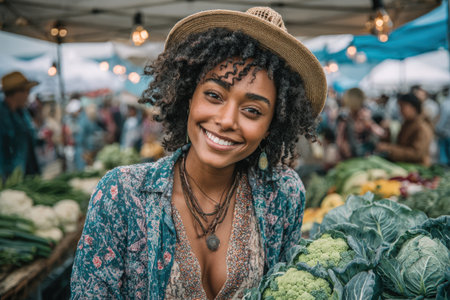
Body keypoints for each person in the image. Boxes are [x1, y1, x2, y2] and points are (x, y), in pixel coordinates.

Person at [71, 6, 326, 299]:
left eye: (252, 110)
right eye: (214, 95)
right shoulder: (122, 195)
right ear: (188, 95)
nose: (227, 120)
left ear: (271, 126)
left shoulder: (283, 194)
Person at [0, 71, 40, 180]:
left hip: (29, 172)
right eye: (27, 91)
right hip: (10, 177)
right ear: (16, 93)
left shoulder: (22, 113)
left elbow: (29, 138)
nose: (28, 95)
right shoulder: (2, 116)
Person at [376, 93, 433, 166]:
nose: (400, 111)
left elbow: (417, 154)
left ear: (413, 107)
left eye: (402, 107)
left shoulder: (422, 127)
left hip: (417, 168)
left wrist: (389, 148)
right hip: (405, 165)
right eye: (399, 107)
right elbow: (401, 144)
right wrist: (388, 134)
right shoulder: (407, 123)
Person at [336, 87, 384, 159]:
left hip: (366, 156)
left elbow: (381, 134)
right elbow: (340, 141)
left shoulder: (364, 115)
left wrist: (369, 123)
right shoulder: (344, 118)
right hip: (351, 157)